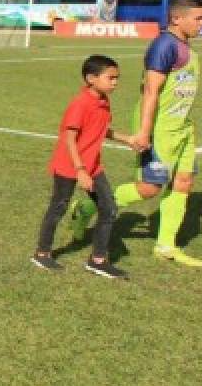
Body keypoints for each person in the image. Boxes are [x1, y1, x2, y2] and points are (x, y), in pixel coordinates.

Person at [71, 0, 202, 267]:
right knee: (149, 188)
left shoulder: (187, 47)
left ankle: (165, 246)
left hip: (182, 128)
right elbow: (150, 92)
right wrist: (145, 131)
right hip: (159, 128)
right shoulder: (163, 46)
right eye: (199, 18)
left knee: (183, 183)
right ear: (176, 18)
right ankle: (87, 207)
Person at [32, 55, 140, 278]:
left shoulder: (103, 101)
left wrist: (126, 139)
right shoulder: (80, 104)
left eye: (117, 78)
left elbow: (101, 129)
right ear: (91, 78)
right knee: (59, 207)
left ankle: (97, 260)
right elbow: (69, 138)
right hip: (69, 165)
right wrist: (80, 170)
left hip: (93, 165)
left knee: (108, 208)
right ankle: (42, 254)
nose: (115, 83)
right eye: (110, 78)